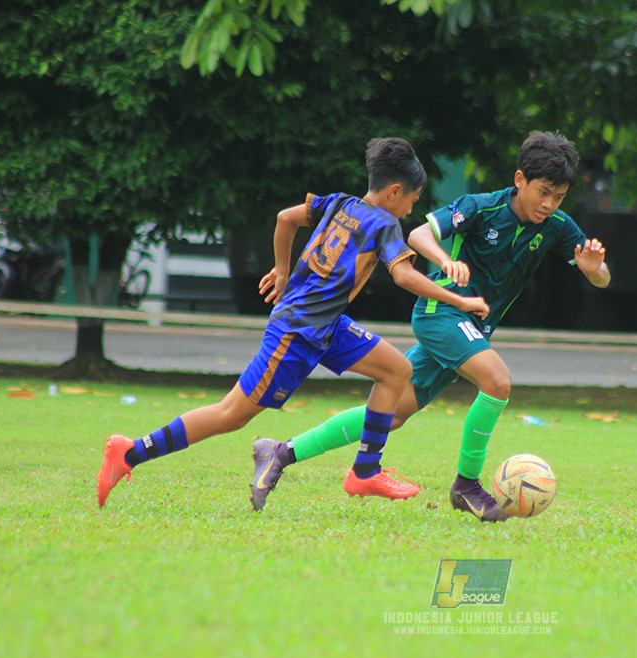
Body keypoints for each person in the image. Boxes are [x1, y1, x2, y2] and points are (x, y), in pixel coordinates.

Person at [95, 137, 490, 508]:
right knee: (231, 414)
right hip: (298, 331)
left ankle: (365, 471)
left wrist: (282, 271)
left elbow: (286, 218)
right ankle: (129, 452)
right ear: (393, 192)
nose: (409, 211)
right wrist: (460, 299)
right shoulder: (385, 224)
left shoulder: (338, 203)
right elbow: (404, 277)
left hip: (327, 325)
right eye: (411, 201)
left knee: (396, 370)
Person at [251, 130, 611, 521]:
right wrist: (444, 261)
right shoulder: (480, 207)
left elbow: (602, 277)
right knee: (497, 381)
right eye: (543, 192)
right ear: (520, 179)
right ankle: (467, 485)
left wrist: (595, 271)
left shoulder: (557, 225)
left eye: (558, 197)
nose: (549, 204)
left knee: (393, 414)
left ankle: (280, 452)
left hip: (470, 330)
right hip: (440, 315)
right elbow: (420, 234)